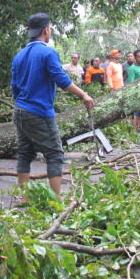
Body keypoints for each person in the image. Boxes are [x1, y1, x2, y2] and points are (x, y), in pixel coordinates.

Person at [12, 13, 94, 200]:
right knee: (55, 154)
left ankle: (22, 197)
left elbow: (14, 87)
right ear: (45, 30)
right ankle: (57, 201)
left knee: (25, 153)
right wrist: (84, 95)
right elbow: (62, 80)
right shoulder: (48, 52)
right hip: (39, 112)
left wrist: (22, 105)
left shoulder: (19, 56)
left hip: (20, 111)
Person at [127, 50, 140, 128]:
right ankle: (134, 130)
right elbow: (131, 83)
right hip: (136, 93)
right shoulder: (132, 68)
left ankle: (138, 127)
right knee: (135, 112)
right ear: (135, 57)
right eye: (139, 56)